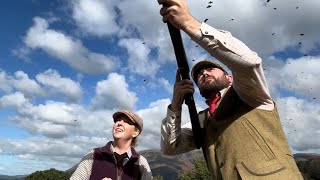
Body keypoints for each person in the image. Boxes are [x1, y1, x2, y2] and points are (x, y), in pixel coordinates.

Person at [158, 0, 303, 179]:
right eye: (198, 75)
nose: (203, 73)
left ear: (230, 77)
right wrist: (176, 105)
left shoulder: (250, 94)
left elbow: (250, 63)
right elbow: (169, 147)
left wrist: (188, 22)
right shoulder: (200, 121)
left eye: (210, 69)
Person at [70, 110, 153, 180]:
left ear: (135, 132)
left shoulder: (141, 162)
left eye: (127, 121)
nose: (119, 123)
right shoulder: (94, 155)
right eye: (118, 120)